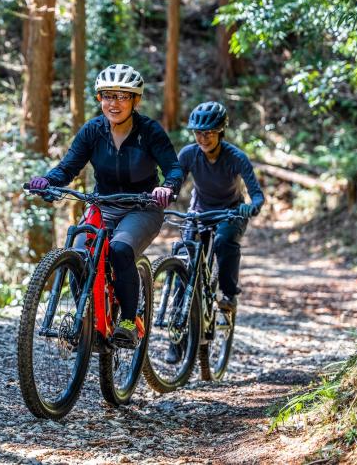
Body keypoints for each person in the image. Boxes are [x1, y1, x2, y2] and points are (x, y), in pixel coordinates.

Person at [28, 64, 183, 348]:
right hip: (103, 205)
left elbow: (173, 168)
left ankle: (127, 320)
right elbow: (68, 167)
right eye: (108, 96)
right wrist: (48, 182)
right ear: (100, 99)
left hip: (143, 207)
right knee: (76, 250)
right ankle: (86, 318)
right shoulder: (93, 131)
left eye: (123, 96)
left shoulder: (149, 131)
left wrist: (167, 187)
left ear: (135, 100)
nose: (114, 103)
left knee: (120, 250)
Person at [178, 101, 264, 314]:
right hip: (200, 212)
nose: (203, 139)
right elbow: (173, 184)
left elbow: (257, 195)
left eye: (209, 133)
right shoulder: (188, 154)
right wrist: (161, 196)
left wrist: (252, 206)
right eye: (198, 133)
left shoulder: (236, 157)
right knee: (185, 253)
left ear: (220, 132)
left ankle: (228, 295)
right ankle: (179, 311)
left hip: (231, 212)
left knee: (224, 241)